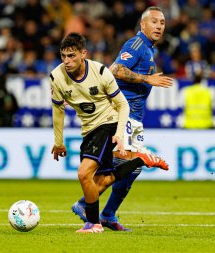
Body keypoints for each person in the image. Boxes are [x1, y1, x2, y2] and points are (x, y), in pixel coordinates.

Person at [50, 32, 168, 233]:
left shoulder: (101, 72)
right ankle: (139, 159)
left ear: (83, 54)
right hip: (88, 130)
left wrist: (119, 133)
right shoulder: (56, 77)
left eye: (72, 56)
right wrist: (58, 142)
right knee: (101, 180)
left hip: (108, 123)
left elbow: (122, 104)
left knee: (83, 173)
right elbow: (58, 110)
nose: (67, 61)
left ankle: (93, 223)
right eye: (63, 56)